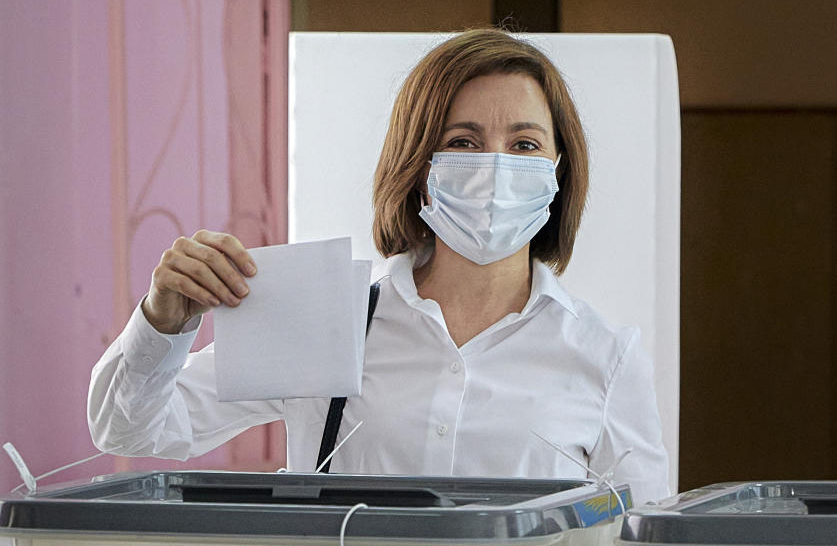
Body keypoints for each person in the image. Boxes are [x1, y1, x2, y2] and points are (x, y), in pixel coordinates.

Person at [88, 29, 670, 503]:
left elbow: (644, 532)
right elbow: (131, 429)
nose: (495, 166)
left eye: (524, 145)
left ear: (559, 170)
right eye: (463, 141)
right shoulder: (324, 319)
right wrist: (164, 322)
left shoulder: (605, 358)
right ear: (419, 165)